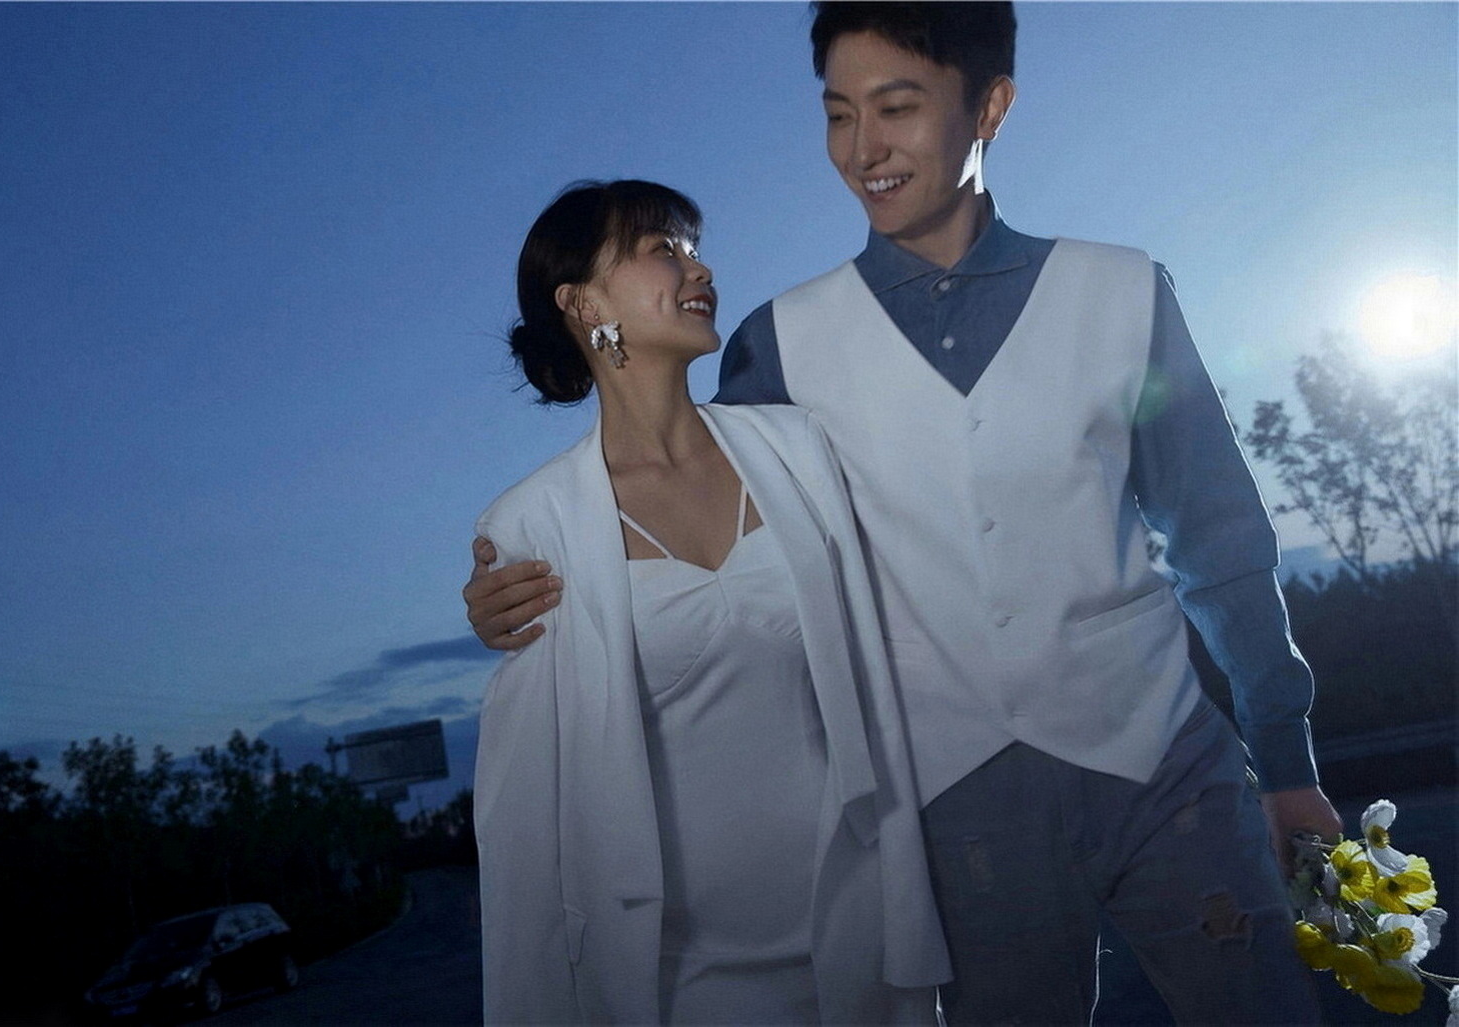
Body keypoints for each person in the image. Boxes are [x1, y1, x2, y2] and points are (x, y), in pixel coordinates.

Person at [466, 5, 1346, 1024]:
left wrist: (1286, 757)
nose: (863, 149)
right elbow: (695, 508)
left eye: (897, 108)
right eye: (839, 114)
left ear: (991, 107)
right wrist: (519, 585)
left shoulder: (1121, 290)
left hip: (1168, 769)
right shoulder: (776, 347)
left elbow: (1220, 541)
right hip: (953, 814)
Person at [472, 179, 948, 1025]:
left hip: (858, 936)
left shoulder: (800, 448)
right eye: (664, 250)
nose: (701, 269)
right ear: (582, 302)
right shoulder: (532, 526)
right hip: (683, 981)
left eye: (694, 249)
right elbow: (525, 822)